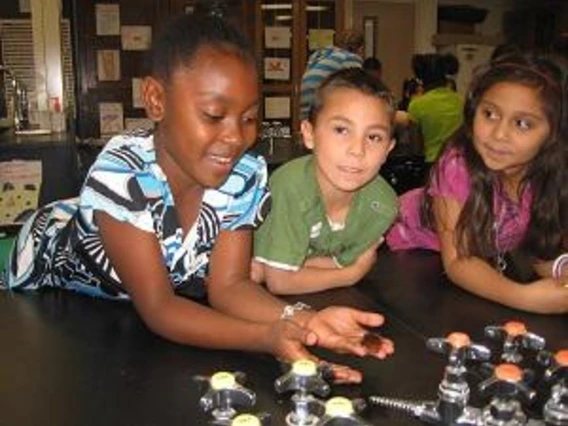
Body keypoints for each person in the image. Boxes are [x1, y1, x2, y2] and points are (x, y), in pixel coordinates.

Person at [1, 9, 394, 382]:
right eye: (213, 115)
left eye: (249, 118)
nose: (235, 137)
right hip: (42, 273)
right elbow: (159, 308)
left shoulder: (242, 176)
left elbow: (229, 286)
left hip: (118, 300)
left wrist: (305, 320)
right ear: (156, 100)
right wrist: (266, 338)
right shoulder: (123, 175)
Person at [386, 52, 568, 314]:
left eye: (522, 123)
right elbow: (460, 261)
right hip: (403, 251)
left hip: (459, 261)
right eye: (490, 114)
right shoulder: (457, 165)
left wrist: (560, 270)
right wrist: (524, 297)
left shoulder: (545, 177)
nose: (499, 134)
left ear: (553, 135)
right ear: (473, 112)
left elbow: (535, 250)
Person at [252, 68, 398, 295]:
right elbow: (280, 282)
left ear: (388, 149)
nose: (357, 150)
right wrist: (352, 275)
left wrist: (292, 267)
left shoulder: (383, 205)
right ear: (309, 134)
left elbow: (339, 261)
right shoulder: (291, 185)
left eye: (373, 137)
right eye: (341, 130)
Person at [398, 53, 464, 168]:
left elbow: (416, 149)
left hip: (432, 165)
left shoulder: (417, 105)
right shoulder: (461, 101)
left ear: (421, 80)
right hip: (460, 163)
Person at [299, 29, 364, 120]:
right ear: (361, 48)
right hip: (322, 114)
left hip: (305, 114)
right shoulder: (349, 58)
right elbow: (358, 90)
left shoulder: (318, 56)